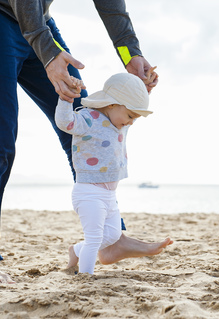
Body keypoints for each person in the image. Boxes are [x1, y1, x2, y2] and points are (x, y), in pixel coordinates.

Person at [0, 0, 170, 283]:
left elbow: (110, 4)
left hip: (38, 22)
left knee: (87, 123)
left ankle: (110, 239)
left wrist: (130, 54)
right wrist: (48, 52)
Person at [55, 73, 163, 274]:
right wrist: (66, 98)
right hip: (88, 192)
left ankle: (76, 250)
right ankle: (86, 276)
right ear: (112, 104)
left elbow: (131, 105)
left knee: (112, 235)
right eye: (130, 116)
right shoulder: (88, 119)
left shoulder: (120, 124)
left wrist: (143, 90)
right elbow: (64, 122)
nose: (131, 122)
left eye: (134, 117)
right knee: (94, 238)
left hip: (109, 195)